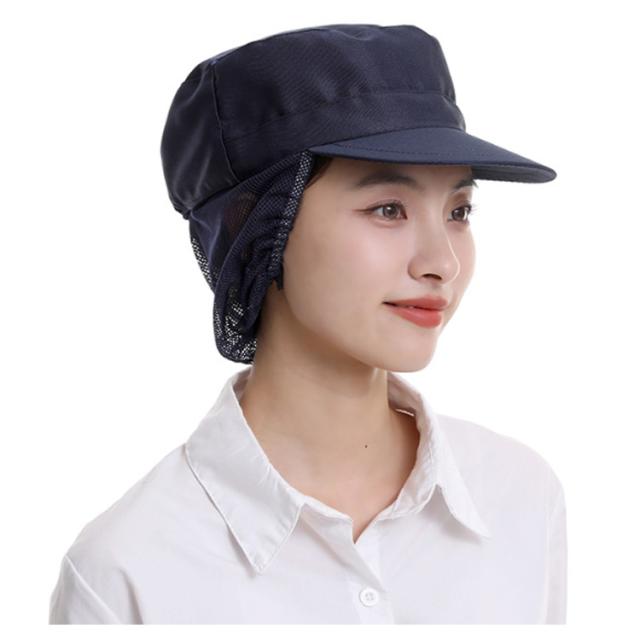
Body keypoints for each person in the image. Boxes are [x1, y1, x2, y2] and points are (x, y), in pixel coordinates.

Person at [49, 23, 567, 624]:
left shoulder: (521, 499)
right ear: (255, 226)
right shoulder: (127, 573)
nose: (442, 263)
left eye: (459, 210)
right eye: (388, 209)